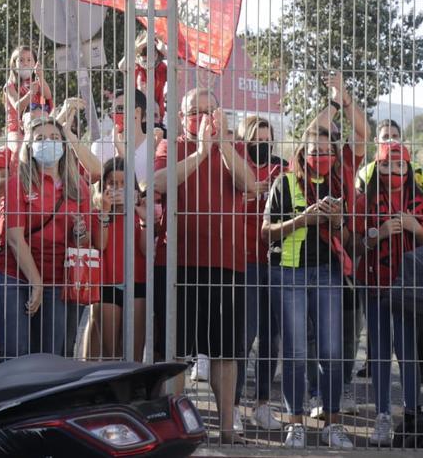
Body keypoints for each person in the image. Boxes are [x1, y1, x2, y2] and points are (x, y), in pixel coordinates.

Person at [153, 88, 266, 445]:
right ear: (181, 116)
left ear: (220, 116)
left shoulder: (233, 151)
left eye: (208, 112)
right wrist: (201, 152)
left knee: (226, 351)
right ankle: (175, 424)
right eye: (194, 112)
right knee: (175, 351)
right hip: (178, 266)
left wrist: (221, 146)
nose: (201, 119)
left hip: (226, 264)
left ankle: (228, 427)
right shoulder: (170, 148)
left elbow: (251, 186)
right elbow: (155, 183)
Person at [260, 76, 364, 449]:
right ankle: (295, 423)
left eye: (326, 150)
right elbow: (266, 231)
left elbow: (349, 240)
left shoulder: (340, 183)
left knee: (333, 351)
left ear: (335, 155)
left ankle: (333, 421)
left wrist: (337, 223)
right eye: (313, 149)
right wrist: (302, 220)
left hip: (328, 273)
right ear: (302, 153)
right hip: (287, 273)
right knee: (296, 352)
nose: (319, 155)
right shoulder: (285, 182)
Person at [0, 116, 95, 361]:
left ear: (64, 145)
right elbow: (14, 238)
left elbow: (85, 241)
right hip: (14, 276)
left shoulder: (79, 187)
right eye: (40, 138)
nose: (48, 142)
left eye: (54, 137)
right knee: (14, 353)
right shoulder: (17, 184)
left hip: (57, 279)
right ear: (29, 146)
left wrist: (81, 232)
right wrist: (36, 282)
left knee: (50, 355)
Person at [355, 141, 423, 446]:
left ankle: (413, 416)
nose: (393, 171)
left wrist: (415, 229)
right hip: (376, 287)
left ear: (409, 168)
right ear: (377, 167)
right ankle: (382, 416)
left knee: (408, 353)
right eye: (387, 165)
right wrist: (376, 235)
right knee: (379, 354)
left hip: (409, 291)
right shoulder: (364, 202)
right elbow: (354, 248)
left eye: (400, 165)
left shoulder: (422, 203)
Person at [232, 115, 287, 433]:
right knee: (245, 335)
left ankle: (263, 404)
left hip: (276, 261)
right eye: (256, 140)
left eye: (267, 140)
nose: (263, 145)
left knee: (272, 338)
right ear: (244, 141)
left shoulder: (282, 168)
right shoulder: (237, 166)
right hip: (246, 260)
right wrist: (249, 194)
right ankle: (235, 405)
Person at [86, 157, 148, 361]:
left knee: (135, 353)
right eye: (113, 183)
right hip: (107, 283)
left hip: (137, 284)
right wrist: (105, 210)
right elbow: (101, 244)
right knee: (111, 354)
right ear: (104, 186)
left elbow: (147, 251)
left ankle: (133, 393)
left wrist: (144, 220)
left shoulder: (141, 211)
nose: (118, 188)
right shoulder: (98, 212)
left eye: (123, 184)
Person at [2, 46, 54, 151]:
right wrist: (30, 94)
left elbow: (48, 96)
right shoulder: (9, 86)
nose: (25, 63)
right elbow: (18, 107)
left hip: (38, 125)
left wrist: (41, 77)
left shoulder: (36, 81)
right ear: (14, 65)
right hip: (16, 129)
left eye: (29, 60)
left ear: (35, 64)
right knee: (19, 149)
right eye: (21, 60)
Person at [355, 119, 423, 190]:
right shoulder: (365, 173)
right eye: (386, 137)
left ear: (400, 140)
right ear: (376, 141)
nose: (391, 141)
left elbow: (419, 199)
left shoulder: (416, 170)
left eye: (395, 136)